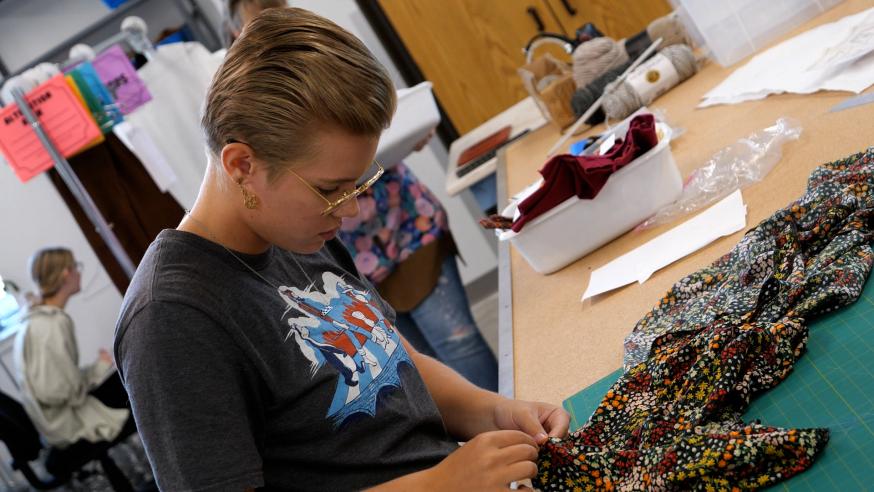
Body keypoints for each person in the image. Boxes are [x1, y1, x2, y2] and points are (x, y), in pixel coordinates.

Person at [115, 8, 569, 490]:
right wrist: (438, 485)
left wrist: (495, 412)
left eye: (356, 185)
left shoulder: (294, 230)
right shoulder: (171, 319)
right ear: (243, 165)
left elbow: (393, 360)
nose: (349, 210)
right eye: (331, 189)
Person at [227, 0, 499, 392]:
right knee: (412, 367)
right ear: (236, 32)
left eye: (280, 10)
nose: (275, 25)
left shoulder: (323, 60)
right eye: (329, 189)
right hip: (351, 259)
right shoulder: (250, 106)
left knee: (457, 345)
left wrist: (404, 127)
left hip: (404, 225)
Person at [14, 247, 134, 449]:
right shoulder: (51, 324)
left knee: (125, 375)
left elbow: (60, 380)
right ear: (66, 274)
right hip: (67, 424)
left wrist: (99, 367)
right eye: (76, 267)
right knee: (136, 383)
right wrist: (98, 369)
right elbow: (60, 391)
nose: (79, 273)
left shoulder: (35, 319)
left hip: (56, 419)